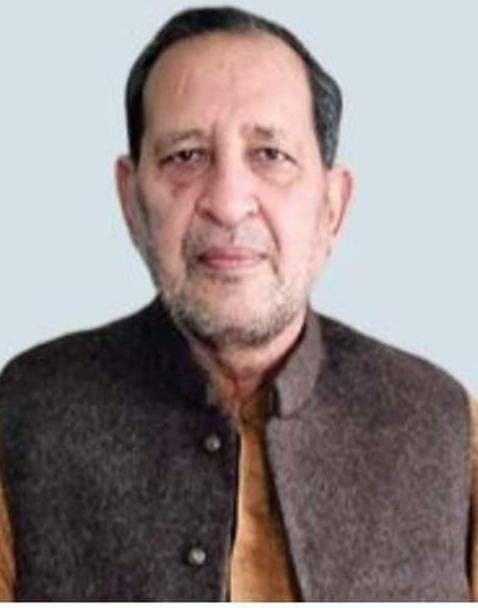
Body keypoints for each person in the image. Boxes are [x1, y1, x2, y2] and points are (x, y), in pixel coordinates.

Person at [0, 5, 476, 601]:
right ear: (130, 200)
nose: (227, 203)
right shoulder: (23, 416)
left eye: (270, 155)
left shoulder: (445, 424)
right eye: (185, 156)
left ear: (332, 208)